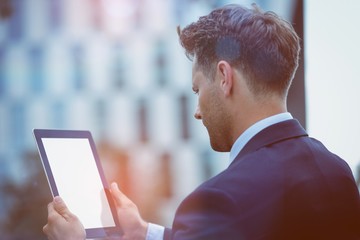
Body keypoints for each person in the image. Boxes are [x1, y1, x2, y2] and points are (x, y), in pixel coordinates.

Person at [43, 3, 360, 240]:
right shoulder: (336, 171)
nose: (197, 110)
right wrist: (145, 232)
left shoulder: (222, 200)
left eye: (197, 89)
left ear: (224, 77)